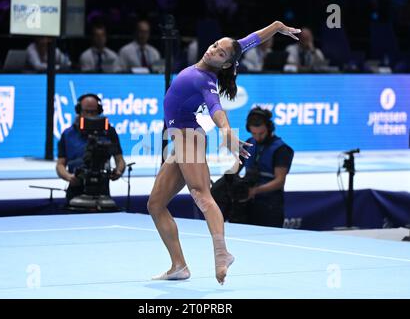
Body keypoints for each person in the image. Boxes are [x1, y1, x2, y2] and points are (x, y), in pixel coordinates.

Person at [147, 21, 300, 284]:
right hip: (180, 140)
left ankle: (221, 252)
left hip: (188, 138)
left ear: (226, 64)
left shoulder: (204, 80)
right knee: (155, 205)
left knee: (201, 195)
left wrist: (227, 130)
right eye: (216, 45)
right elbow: (249, 40)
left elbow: (216, 107)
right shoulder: (226, 54)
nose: (213, 50)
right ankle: (178, 265)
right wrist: (275, 27)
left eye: (220, 53)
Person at [224, 108, 294, 227]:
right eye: (254, 133)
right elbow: (235, 168)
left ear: (269, 128)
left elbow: (279, 181)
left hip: (270, 206)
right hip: (247, 205)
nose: (258, 137)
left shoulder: (281, 149)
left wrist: (254, 191)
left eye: (261, 133)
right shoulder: (249, 143)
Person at [56, 94, 126, 204]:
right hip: (76, 189)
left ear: (99, 111)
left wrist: (118, 171)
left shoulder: (109, 132)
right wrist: (69, 177)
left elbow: (120, 160)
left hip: (102, 191)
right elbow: (60, 164)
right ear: (79, 111)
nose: (90, 115)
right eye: (86, 112)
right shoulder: (68, 134)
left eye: (93, 112)